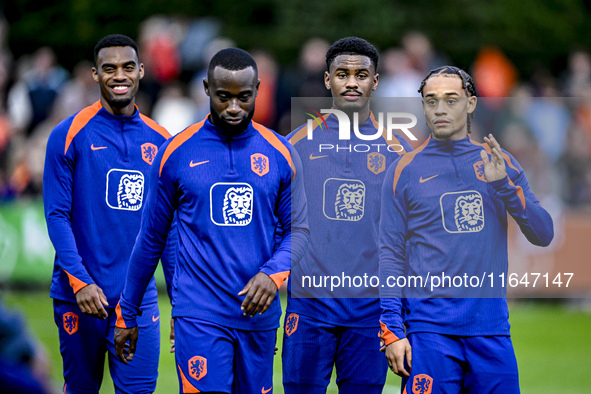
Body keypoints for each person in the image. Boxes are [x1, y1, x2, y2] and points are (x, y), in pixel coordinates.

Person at [114, 48, 309, 394]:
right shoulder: (176, 153)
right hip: (199, 315)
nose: (233, 107)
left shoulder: (281, 153)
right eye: (223, 97)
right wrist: (127, 313)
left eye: (243, 97)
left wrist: (272, 274)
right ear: (206, 88)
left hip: (258, 318)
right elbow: (151, 238)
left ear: (258, 90)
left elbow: (300, 230)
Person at [379, 66, 554, 393]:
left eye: (451, 99)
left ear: (471, 103)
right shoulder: (402, 171)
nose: (440, 109)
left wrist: (503, 185)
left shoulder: (499, 163)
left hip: (491, 332)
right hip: (429, 333)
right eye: (431, 101)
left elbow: (543, 234)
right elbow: (389, 256)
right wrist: (393, 329)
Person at [43, 34, 174, 394]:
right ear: (94, 75)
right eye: (109, 68)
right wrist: (80, 281)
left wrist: (179, 303)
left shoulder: (164, 141)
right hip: (80, 296)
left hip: (137, 301)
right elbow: (56, 215)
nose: (120, 75)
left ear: (141, 71)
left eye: (128, 67)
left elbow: (170, 232)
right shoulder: (67, 134)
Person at [284, 37, 413, 393]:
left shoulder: (399, 153)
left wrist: (402, 321)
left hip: (369, 312)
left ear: (375, 81)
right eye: (342, 74)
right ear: (328, 80)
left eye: (361, 75)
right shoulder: (293, 146)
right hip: (309, 309)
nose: (351, 82)